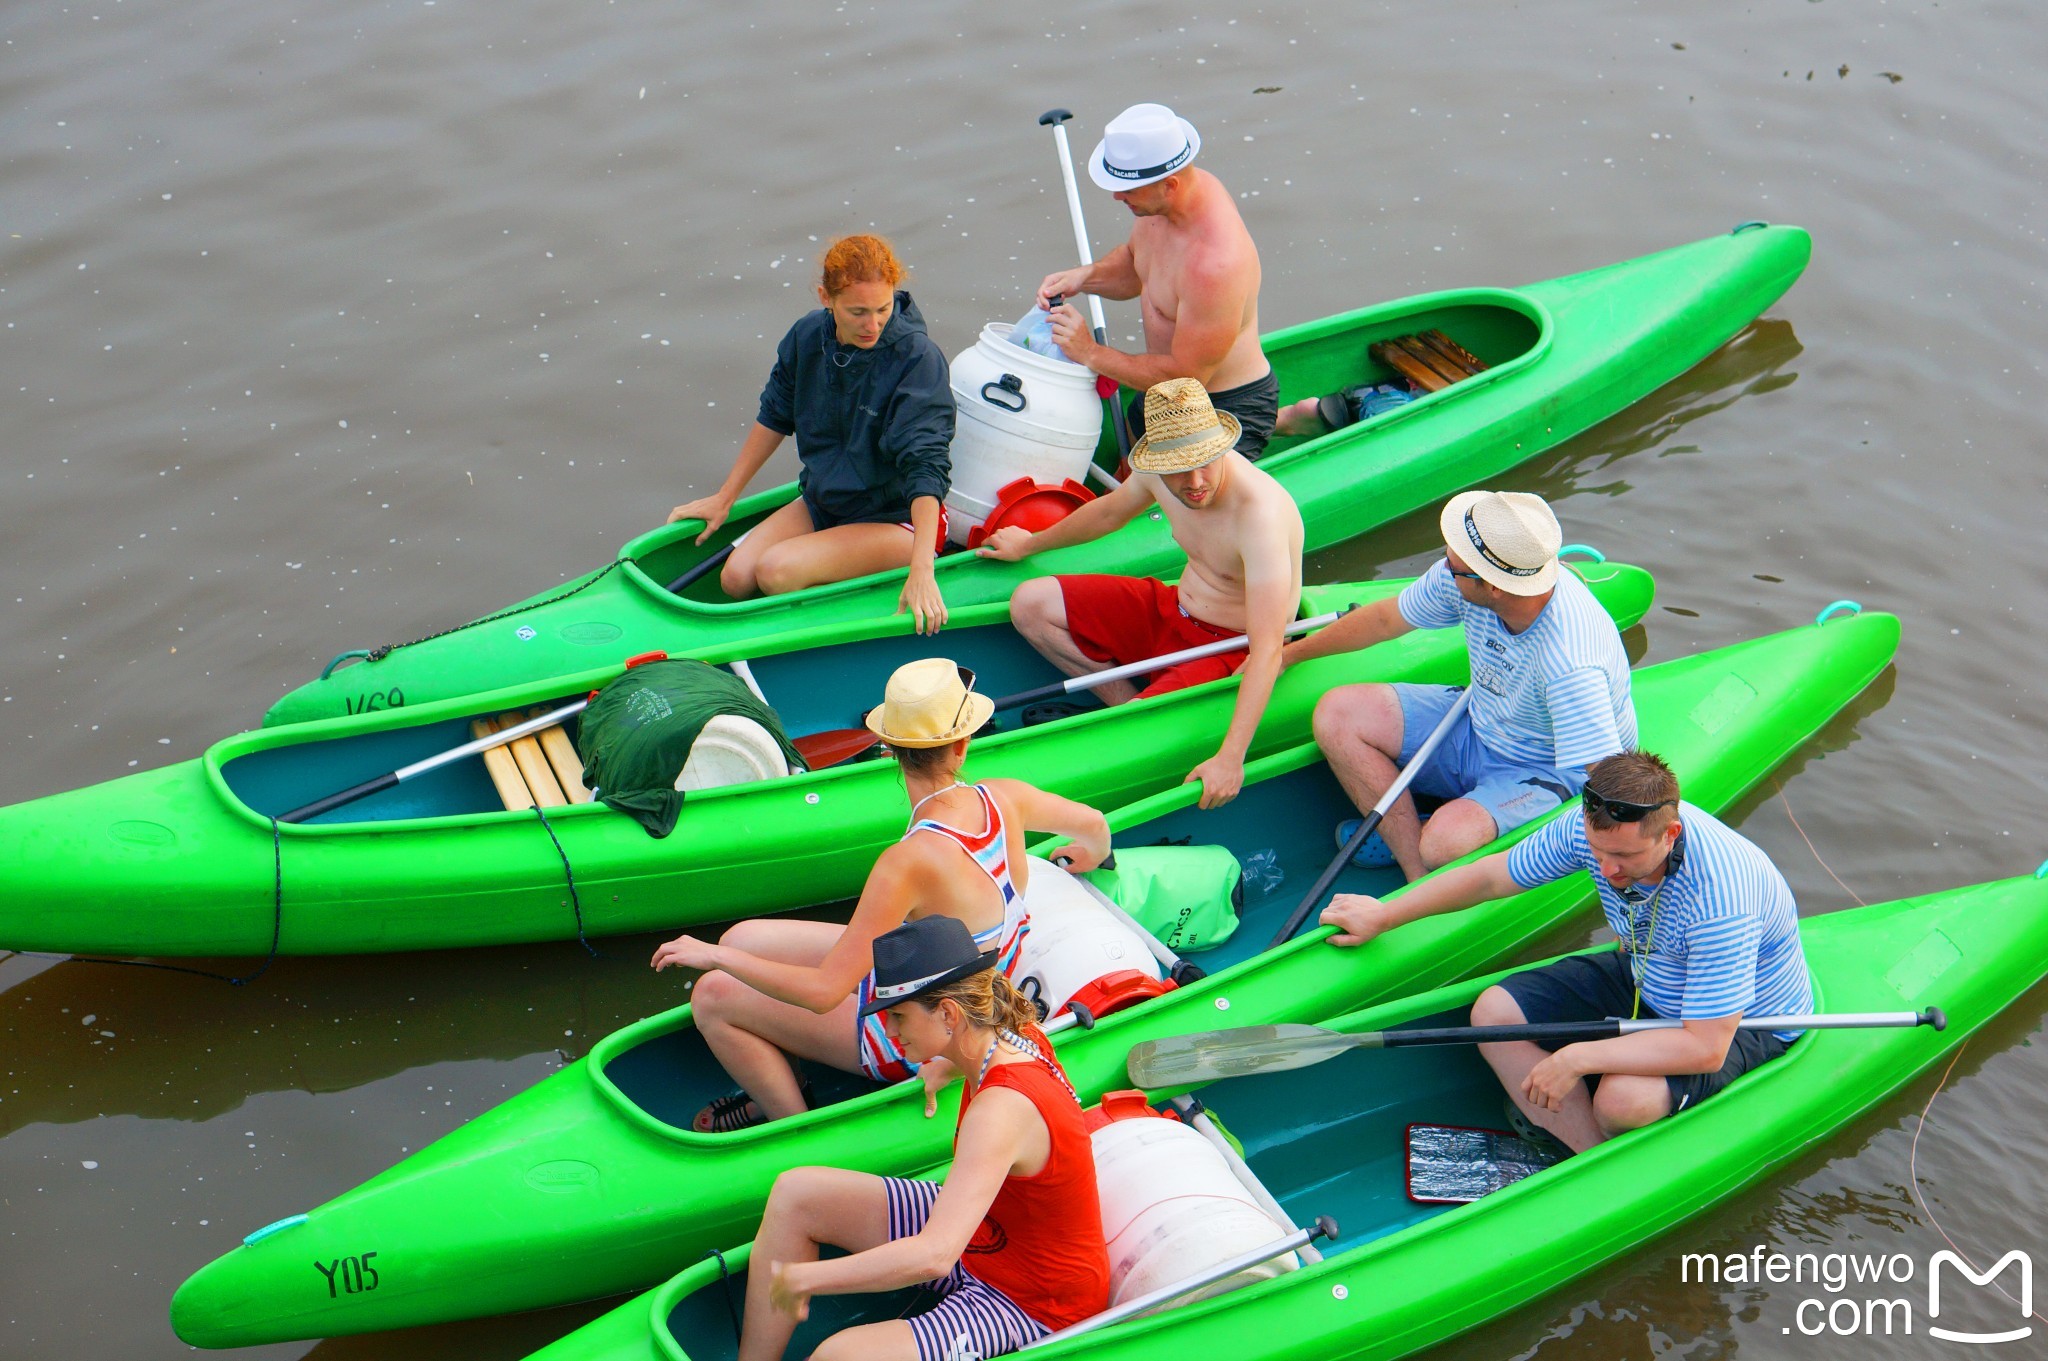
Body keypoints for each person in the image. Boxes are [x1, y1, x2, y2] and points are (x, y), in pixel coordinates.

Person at [650, 657, 1112, 1132]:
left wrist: (711, 957)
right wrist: (1091, 856)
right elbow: (1094, 826)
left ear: (889, 747)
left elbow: (824, 994)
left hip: (924, 1027)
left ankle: (793, 1126)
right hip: (967, 978)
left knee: (711, 994)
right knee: (743, 939)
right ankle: (784, 1072)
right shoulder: (1003, 796)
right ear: (962, 746)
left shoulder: (908, 861)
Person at [1320, 750, 1813, 1153]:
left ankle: (1598, 1141)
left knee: (1621, 1100)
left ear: (1671, 834)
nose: (1607, 869)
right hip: (1650, 971)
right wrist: (1386, 914)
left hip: (1741, 1020)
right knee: (1494, 1011)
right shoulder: (1594, 831)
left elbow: (1706, 1047)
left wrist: (1578, 1058)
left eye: (1623, 858)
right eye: (1598, 853)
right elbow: (1492, 876)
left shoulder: (1723, 900)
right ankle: (1588, 1153)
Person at [739, 915, 1110, 1361]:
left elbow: (933, 1256)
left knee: (838, 1357)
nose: (891, 1032)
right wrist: (946, 1062)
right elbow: (977, 1042)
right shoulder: (1007, 1034)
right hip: (985, 1234)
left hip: (1032, 1301)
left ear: (949, 1014)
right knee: (796, 1193)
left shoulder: (1001, 1109)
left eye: (898, 1016)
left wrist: (804, 1279)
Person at [976, 378, 1303, 809]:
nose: (1196, 480)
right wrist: (1030, 543)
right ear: (1156, 459)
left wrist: (1231, 758)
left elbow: (1266, 650)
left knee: (1131, 732)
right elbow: (1109, 512)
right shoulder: (1154, 471)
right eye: (1179, 467)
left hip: (1231, 644)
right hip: (1173, 608)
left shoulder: (1259, 516)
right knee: (1030, 604)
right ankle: (1128, 704)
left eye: (1206, 461)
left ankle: (1135, 718)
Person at [1281, 489, 1634, 880]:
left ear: (1494, 586)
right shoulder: (1468, 574)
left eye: (1453, 566)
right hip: (1480, 719)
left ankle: (1430, 838)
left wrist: (1625, 864)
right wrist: (1286, 655)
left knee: (1442, 844)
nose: (1443, 568)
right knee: (1338, 715)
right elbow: (1384, 620)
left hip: (1545, 766)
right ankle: (1414, 868)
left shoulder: (1571, 663)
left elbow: (1606, 776)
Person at [668, 233, 956, 633]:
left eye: (883, 308)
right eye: (858, 312)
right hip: (827, 501)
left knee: (775, 572)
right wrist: (725, 497)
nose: (873, 325)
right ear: (826, 297)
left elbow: (926, 464)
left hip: (897, 520)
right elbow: (774, 414)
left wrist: (923, 569)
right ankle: (825, 579)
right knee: (735, 580)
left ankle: (818, 625)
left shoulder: (917, 359)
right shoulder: (806, 337)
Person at [1035, 103, 1277, 458]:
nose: (1117, 196)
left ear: (1170, 185)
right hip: (1160, 392)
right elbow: (1137, 269)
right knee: (1125, 476)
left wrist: (1089, 352)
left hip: (1219, 407)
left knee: (1154, 507)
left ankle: (1274, 424)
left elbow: (1186, 380)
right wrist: (1084, 278)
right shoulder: (1163, 205)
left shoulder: (1215, 264)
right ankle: (1292, 419)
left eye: (1127, 189)